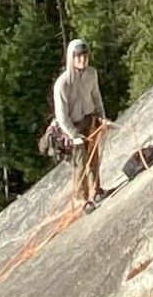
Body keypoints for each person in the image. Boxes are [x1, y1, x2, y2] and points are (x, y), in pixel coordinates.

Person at [44, 35, 110, 209]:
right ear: (71, 58)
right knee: (80, 163)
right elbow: (61, 115)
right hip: (72, 127)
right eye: (78, 56)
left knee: (94, 157)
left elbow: (96, 97)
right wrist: (72, 135)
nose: (82, 59)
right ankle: (81, 199)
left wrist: (102, 117)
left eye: (84, 55)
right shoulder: (63, 83)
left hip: (90, 120)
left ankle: (95, 191)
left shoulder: (91, 73)